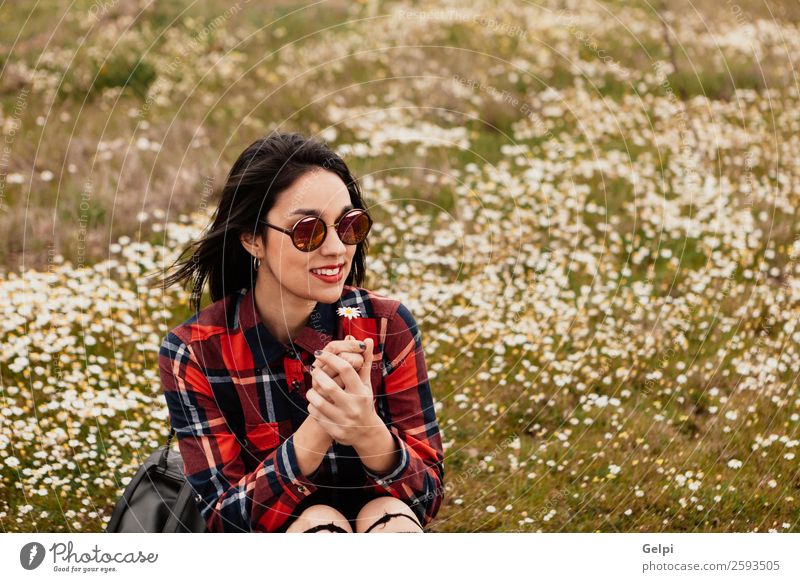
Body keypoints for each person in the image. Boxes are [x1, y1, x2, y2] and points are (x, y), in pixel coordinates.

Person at [152, 131, 445, 533]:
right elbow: (221, 522)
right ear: (253, 239)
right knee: (317, 526)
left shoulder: (387, 325)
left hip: (384, 521)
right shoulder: (194, 352)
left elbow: (427, 499)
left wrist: (366, 428)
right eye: (308, 230)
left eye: (348, 224)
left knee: (390, 522)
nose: (337, 250)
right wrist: (321, 424)